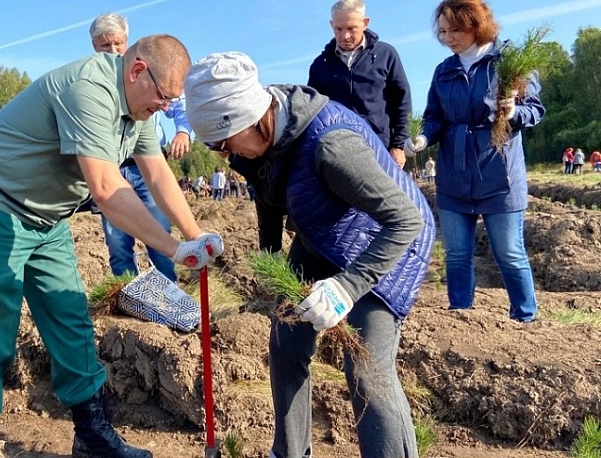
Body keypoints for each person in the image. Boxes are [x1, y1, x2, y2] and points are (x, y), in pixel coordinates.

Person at [0, 34, 222, 458]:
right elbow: (108, 190)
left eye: (171, 101)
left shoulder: (140, 107)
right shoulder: (89, 90)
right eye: (164, 97)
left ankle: (92, 436)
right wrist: (171, 247)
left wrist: (194, 233)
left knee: (70, 318)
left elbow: (158, 174)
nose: (166, 108)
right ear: (138, 70)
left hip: (45, 215)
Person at [186, 51, 435, 458]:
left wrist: (347, 286)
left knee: (367, 369)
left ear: (248, 117)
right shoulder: (260, 143)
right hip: (322, 231)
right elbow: (268, 200)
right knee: (286, 345)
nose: (223, 155)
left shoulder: (331, 145)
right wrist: (269, 267)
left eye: (222, 142)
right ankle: (289, 452)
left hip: (383, 239)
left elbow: (406, 221)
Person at [405, 0, 544, 322]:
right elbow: (434, 117)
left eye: (455, 30)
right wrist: (423, 138)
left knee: (509, 253)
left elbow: (535, 110)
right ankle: (461, 317)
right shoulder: (445, 70)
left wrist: (513, 113)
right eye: (442, 31)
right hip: (454, 174)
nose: (448, 38)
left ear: (476, 25)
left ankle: (525, 318)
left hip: (499, 173)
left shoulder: (508, 62)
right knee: (457, 254)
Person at [89, 13, 193, 282]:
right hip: (111, 169)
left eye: (117, 44)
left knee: (160, 233)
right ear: (94, 47)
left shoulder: (150, 75)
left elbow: (178, 106)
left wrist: (183, 131)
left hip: (147, 168)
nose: (112, 51)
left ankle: (169, 295)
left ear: (127, 44)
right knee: (117, 243)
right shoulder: (94, 86)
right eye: (104, 46)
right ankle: (129, 296)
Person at [308, 0, 412, 169]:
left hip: (380, 150)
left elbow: (402, 101)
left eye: (351, 28)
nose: (345, 36)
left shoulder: (386, 55)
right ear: (331, 25)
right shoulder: (320, 65)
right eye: (338, 29)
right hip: (336, 154)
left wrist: (398, 145)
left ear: (365, 23)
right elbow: (311, 112)